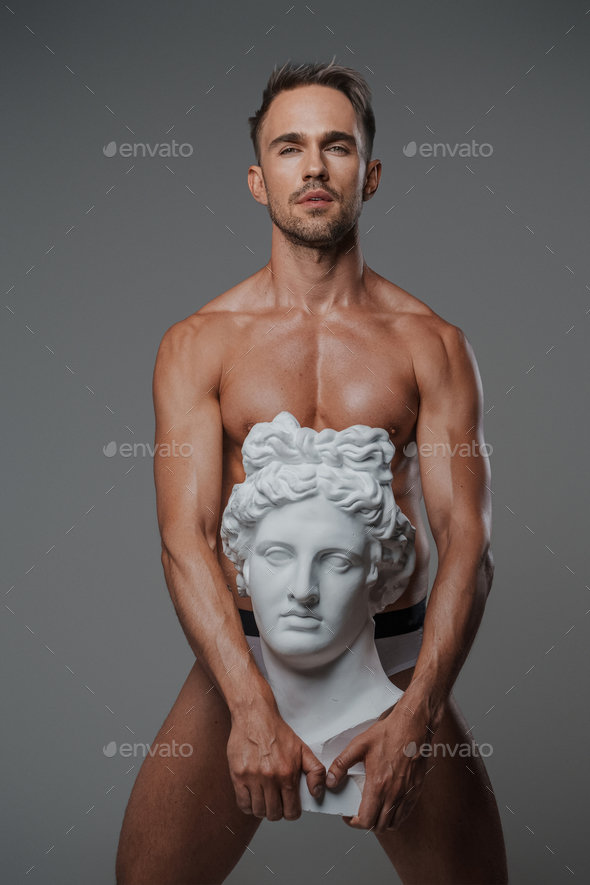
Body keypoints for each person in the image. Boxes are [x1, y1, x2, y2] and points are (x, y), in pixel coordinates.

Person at [116, 59, 508, 884]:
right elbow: (182, 541)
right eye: (290, 147)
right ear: (260, 180)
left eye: (336, 146)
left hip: (395, 666)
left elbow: (467, 544)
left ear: (368, 173)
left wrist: (419, 713)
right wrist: (248, 701)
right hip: (244, 659)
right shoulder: (200, 344)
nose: (314, 166)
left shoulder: (430, 345)